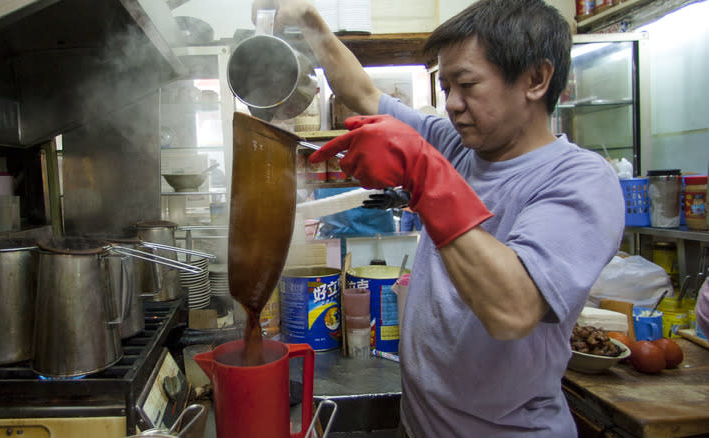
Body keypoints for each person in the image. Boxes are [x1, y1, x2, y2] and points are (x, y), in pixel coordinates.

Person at [253, 0, 625, 436]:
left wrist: (425, 172)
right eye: (445, 86)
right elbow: (364, 95)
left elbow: (513, 309)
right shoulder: (459, 146)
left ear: (536, 79)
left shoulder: (580, 180)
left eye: (466, 85)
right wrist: (312, 22)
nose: (451, 104)